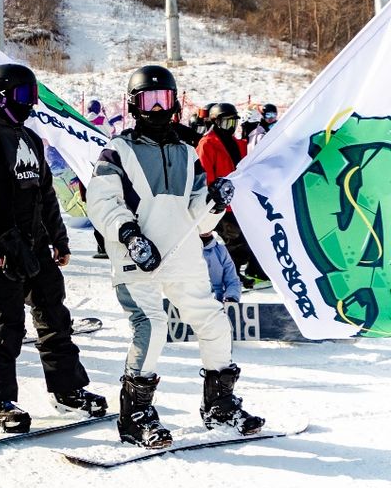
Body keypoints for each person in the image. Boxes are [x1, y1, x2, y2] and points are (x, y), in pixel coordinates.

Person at [87, 65, 263, 448]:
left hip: (183, 254)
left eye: (164, 99)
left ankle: (220, 404)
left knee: (214, 322)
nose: (157, 109)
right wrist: (130, 235)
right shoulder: (118, 150)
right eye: (149, 100)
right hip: (138, 256)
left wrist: (216, 201)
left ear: (175, 103)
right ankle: (135, 417)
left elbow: (200, 216)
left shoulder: (187, 153)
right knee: (152, 327)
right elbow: (101, 201)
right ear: (134, 105)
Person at [0, 63, 106, 434]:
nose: (31, 103)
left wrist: (60, 238)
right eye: (25, 95)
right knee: (4, 325)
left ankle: (68, 390)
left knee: (55, 318)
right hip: (0, 245)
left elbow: (46, 193)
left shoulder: (30, 138)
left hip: (36, 243)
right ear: (1, 95)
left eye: (33, 95)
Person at [196, 102, 264, 287]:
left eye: (233, 123)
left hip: (237, 203)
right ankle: (229, 279)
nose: (231, 128)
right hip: (218, 204)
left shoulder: (236, 143)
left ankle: (232, 276)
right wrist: (212, 196)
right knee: (236, 241)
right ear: (215, 122)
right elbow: (203, 174)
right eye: (227, 123)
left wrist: (251, 132)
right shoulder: (207, 143)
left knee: (244, 241)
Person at [202, 231, 241, 303]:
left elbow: (232, 280)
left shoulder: (221, 250)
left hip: (217, 301)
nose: (206, 230)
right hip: (195, 300)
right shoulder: (185, 249)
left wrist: (231, 297)